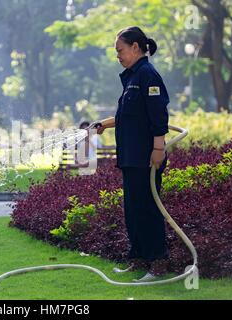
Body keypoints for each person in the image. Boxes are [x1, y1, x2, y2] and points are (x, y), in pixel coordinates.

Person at [88, 26, 170, 281]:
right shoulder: (132, 77)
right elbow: (129, 115)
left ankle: (157, 265)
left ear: (135, 47)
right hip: (131, 157)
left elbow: (158, 116)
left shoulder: (148, 75)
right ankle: (137, 259)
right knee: (133, 210)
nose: (118, 56)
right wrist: (104, 124)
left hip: (146, 157)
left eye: (120, 50)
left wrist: (158, 149)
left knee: (148, 209)